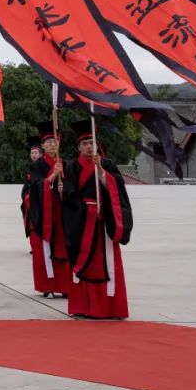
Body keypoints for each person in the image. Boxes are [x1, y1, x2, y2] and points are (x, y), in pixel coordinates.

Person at [62, 121, 133, 320]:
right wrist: (86, 209)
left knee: (107, 263)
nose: (88, 146)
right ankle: (83, 307)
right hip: (82, 222)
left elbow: (118, 189)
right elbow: (69, 195)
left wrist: (102, 172)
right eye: (84, 143)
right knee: (84, 263)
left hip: (103, 224)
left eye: (91, 142)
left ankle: (110, 308)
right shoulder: (72, 167)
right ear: (78, 147)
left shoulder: (107, 164)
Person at [27, 126, 71, 298]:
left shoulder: (66, 164)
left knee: (65, 249)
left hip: (63, 212)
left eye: (55, 141)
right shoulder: (37, 165)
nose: (53, 145)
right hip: (44, 213)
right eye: (49, 142)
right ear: (43, 146)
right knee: (43, 250)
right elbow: (36, 187)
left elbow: (74, 188)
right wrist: (52, 178)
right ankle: (47, 285)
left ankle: (65, 286)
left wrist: (64, 188)